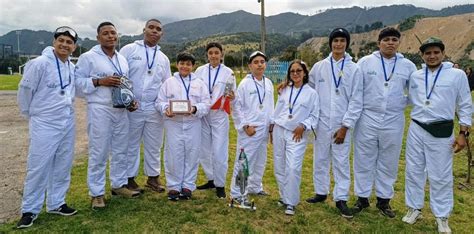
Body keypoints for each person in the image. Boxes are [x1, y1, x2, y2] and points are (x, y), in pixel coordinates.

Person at [402, 37, 472, 233]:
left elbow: (465, 104)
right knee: (414, 170)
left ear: (443, 53)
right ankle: (414, 208)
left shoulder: (456, 75)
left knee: (440, 175)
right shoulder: (415, 76)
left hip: (441, 130)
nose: (432, 56)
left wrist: (463, 133)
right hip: (416, 127)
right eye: (427, 53)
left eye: (436, 52)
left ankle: (442, 216)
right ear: (422, 55)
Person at [16, 26, 79, 229]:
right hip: (44, 121)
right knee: (38, 165)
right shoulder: (39, 64)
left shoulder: (70, 65)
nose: (64, 44)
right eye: (61, 40)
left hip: (66, 120)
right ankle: (30, 210)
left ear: (74, 47)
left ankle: (56, 203)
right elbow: (25, 91)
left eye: (69, 42)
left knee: (62, 164)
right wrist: (31, 114)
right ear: (54, 42)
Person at [352, 27, 417, 218]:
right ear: (378, 42)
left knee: (388, 160)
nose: (390, 43)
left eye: (394, 40)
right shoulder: (365, 62)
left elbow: (414, 94)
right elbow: (356, 90)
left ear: (399, 43)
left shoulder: (408, 66)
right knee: (364, 158)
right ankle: (362, 198)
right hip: (368, 117)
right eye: (386, 39)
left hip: (393, 119)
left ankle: (384, 200)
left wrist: (400, 103)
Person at [75, 22, 140, 209]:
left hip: (121, 110)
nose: (110, 36)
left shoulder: (122, 59)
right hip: (100, 108)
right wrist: (98, 81)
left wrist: (131, 101)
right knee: (99, 150)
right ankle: (96, 193)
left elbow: (125, 85)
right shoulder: (88, 57)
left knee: (121, 149)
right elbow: (77, 84)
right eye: (106, 33)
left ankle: (119, 185)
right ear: (98, 37)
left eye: (113, 33)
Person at [306, 28, 363, 219]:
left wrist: (345, 126)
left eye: (342, 41)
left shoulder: (354, 69)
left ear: (347, 43)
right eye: (335, 40)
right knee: (320, 159)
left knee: (341, 162)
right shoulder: (320, 66)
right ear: (330, 43)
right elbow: (309, 90)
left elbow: (356, 100)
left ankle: (341, 199)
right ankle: (321, 192)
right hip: (321, 123)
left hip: (341, 124)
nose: (338, 44)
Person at [120, 19, 171, 193]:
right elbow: (120, 76)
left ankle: (153, 178)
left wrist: (165, 106)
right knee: (130, 143)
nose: (154, 31)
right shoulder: (129, 50)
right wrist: (127, 100)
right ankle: (129, 178)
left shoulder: (163, 58)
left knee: (154, 144)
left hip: (153, 108)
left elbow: (166, 85)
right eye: (151, 28)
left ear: (161, 34)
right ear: (144, 30)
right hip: (132, 106)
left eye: (158, 29)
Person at [156, 52, 211, 201]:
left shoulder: (199, 83)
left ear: (193, 66)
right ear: (177, 64)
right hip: (173, 123)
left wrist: (194, 109)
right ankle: (173, 186)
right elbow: (159, 102)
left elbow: (206, 104)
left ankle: (187, 186)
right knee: (173, 154)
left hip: (193, 123)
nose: (184, 66)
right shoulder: (168, 82)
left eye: (188, 64)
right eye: (182, 63)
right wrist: (165, 109)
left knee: (192, 154)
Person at [271, 60, 319, 215]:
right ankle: (283, 197)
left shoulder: (312, 93)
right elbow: (278, 110)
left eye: (299, 71)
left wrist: (304, 125)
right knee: (280, 164)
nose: (296, 73)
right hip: (280, 129)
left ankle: (291, 202)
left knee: (293, 167)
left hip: (296, 133)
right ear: (289, 74)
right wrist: (271, 128)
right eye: (292, 71)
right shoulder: (285, 89)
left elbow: (314, 116)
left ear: (305, 73)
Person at [230, 51, 274, 202]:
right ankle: (237, 193)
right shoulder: (245, 84)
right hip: (250, 130)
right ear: (250, 66)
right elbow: (236, 107)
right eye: (256, 62)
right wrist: (245, 126)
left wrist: (271, 126)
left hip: (264, 129)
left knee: (260, 160)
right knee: (244, 162)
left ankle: (255, 187)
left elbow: (270, 106)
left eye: (262, 61)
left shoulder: (268, 83)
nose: (260, 64)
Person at [194, 42, 236, 198]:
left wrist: (231, 97)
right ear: (207, 55)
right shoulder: (200, 71)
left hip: (219, 115)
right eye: (210, 52)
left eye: (216, 52)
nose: (213, 55)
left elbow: (231, 94)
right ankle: (211, 178)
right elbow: (195, 89)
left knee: (219, 151)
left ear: (221, 54)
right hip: (203, 115)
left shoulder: (228, 73)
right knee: (204, 150)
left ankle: (220, 184)